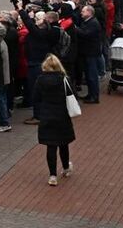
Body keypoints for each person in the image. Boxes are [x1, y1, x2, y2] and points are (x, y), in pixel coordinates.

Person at [34, 54, 75, 186]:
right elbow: (71, 94)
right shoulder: (64, 79)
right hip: (62, 115)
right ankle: (66, 168)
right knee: (63, 143)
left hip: (47, 115)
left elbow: (35, 97)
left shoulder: (40, 80)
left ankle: (52, 175)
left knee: (51, 146)